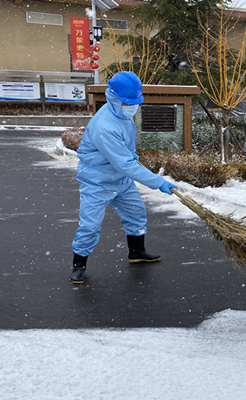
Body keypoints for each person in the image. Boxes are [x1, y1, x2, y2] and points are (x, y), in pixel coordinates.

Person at [69, 71, 177, 284]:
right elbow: (126, 164)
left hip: (120, 180)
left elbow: (126, 156)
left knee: (136, 213)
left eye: (135, 102)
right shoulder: (105, 126)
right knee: (90, 226)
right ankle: (78, 264)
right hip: (97, 181)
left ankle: (136, 252)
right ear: (115, 98)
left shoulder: (122, 114)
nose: (133, 106)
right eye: (129, 102)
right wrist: (159, 182)